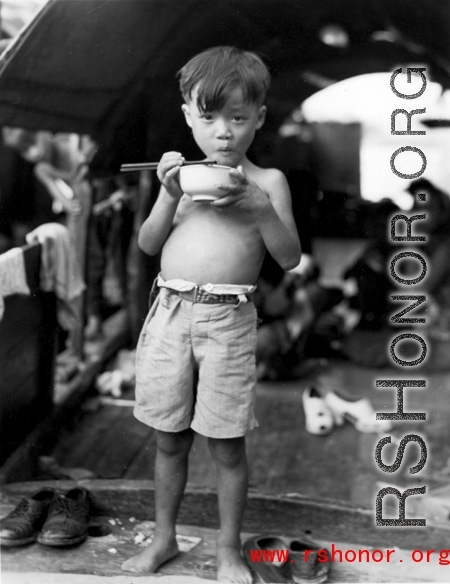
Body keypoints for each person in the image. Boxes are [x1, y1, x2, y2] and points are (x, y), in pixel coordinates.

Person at [121, 46, 300, 583]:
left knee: (226, 443)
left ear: (259, 118)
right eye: (208, 118)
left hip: (228, 320)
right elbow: (149, 245)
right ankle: (164, 540)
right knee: (168, 438)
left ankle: (228, 552)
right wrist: (167, 193)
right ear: (187, 117)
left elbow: (289, 258)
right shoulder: (181, 179)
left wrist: (260, 208)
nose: (223, 133)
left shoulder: (267, 184)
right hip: (172, 311)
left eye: (238, 118)